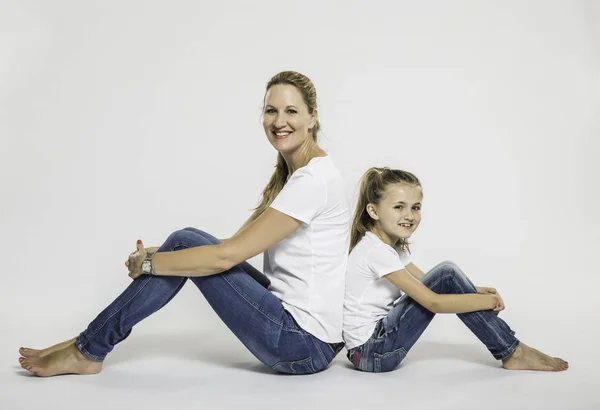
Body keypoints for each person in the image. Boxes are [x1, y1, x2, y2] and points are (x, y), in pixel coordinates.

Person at [19, 71, 350, 377]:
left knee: (184, 241)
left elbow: (224, 256)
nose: (279, 121)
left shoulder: (313, 181)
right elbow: (232, 246)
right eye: (271, 111)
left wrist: (151, 263)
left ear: (312, 117)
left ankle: (88, 349)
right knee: (187, 239)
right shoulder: (305, 175)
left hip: (301, 344)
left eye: (291, 111)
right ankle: (87, 344)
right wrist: (164, 255)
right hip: (307, 337)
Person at [343, 167, 568, 372]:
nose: (409, 215)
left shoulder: (387, 248)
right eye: (398, 207)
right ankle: (513, 352)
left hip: (371, 350)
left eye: (416, 207)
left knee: (446, 274)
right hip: (374, 351)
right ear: (373, 211)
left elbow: (427, 282)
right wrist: (486, 303)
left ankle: (512, 350)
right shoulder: (377, 252)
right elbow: (433, 302)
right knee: (447, 272)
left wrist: (475, 291)